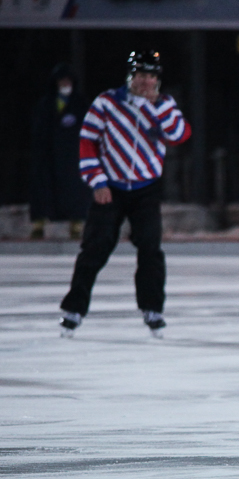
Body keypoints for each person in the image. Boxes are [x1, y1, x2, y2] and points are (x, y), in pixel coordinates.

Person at [58, 50, 191, 338]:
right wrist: (97, 181)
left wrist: (158, 108)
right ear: (131, 77)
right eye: (141, 75)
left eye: (151, 77)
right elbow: (87, 143)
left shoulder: (165, 105)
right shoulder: (106, 103)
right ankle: (74, 310)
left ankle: (152, 309)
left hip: (146, 189)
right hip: (111, 188)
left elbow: (180, 135)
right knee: (95, 248)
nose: (146, 82)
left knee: (150, 249)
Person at [29, 63, 90, 241]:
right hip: (49, 157)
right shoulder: (46, 104)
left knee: (75, 192)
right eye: (61, 80)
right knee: (44, 189)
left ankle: (77, 226)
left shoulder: (80, 104)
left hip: (72, 157)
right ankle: (38, 226)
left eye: (68, 80)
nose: (65, 83)